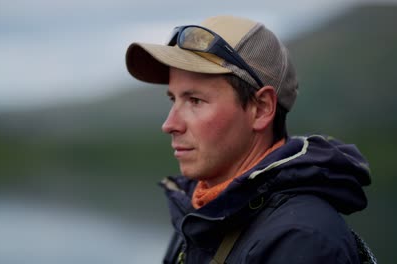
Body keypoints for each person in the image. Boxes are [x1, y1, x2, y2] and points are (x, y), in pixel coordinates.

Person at [125, 15, 373, 263]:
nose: (169, 125)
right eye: (173, 99)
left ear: (261, 108)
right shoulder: (199, 211)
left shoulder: (302, 240)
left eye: (195, 101)